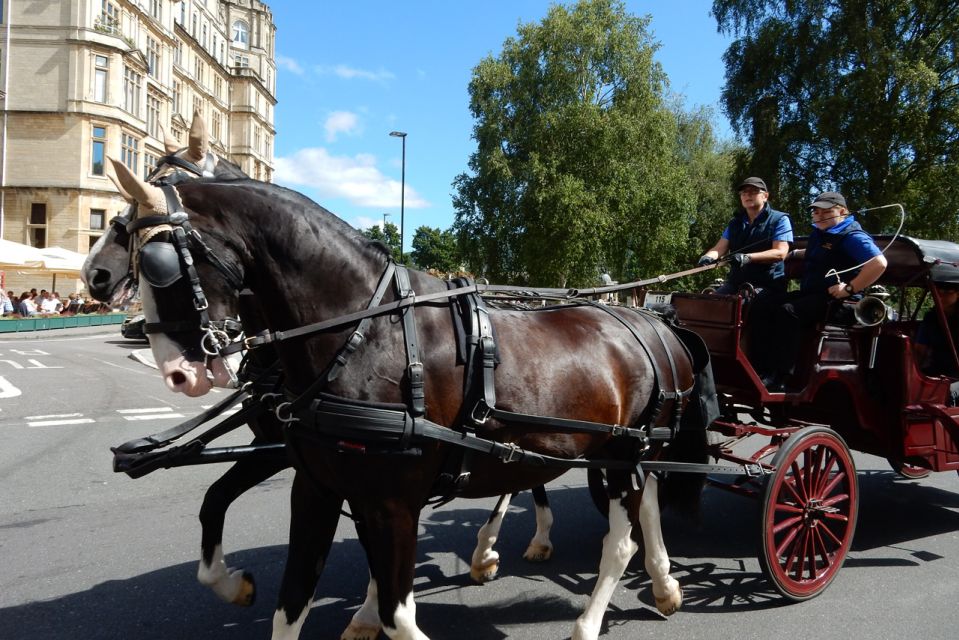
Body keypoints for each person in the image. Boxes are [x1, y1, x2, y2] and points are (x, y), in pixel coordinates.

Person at [763, 191, 887, 392]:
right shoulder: (822, 233)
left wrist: (848, 288)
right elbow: (820, 252)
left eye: (826, 212)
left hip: (839, 303)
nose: (819, 216)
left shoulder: (852, 236)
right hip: (814, 295)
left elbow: (879, 263)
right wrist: (793, 254)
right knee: (765, 302)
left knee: (788, 311)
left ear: (843, 212)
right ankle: (760, 365)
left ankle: (782, 377)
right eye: (816, 212)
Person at [698, 176, 793, 295]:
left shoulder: (780, 219)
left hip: (767, 284)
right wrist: (708, 257)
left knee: (740, 305)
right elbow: (720, 248)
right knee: (713, 303)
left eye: (753, 192)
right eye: (744, 193)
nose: (748, 195)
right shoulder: (735, 223)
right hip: (735, 283)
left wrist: (747, 257)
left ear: (765, 196)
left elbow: (780, 253)